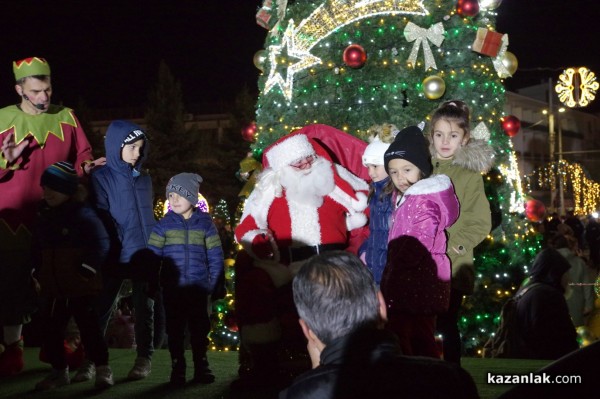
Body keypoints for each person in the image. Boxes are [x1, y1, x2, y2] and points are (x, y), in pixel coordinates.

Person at [233, 127, 369, 390]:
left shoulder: (329, 176)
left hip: (332, 262)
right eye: (300, 162)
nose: (307, 165)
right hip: (285, 264)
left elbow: (359, 199)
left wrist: (329, 175)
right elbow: (249, 222)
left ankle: (340, 364)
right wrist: (258, 242)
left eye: (310, 158)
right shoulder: (269, 188)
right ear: (284, 166)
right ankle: (265, 364)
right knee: (255, 285)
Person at [0, 56, 103, 377]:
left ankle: (65, 344)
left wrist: (87, 168)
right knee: (11, 282)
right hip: (12, 219)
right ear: (20, 89)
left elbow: (82, 156)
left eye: (47, 89)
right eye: (36, 90)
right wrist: (5, 161)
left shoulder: (67, 117)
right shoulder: (1, 119)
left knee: (64, 283)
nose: (44, 97)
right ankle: (13, 349)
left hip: (58, 219)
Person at [280, 251, 479, 399]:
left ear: (307, 331)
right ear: (381, 306)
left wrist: (316, 372)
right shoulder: (450, 381)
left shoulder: (301, 393)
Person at [85, 120, 156, 381]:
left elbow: (146, 215)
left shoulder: (145, 178)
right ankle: (92, 360)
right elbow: (101, 214)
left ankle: (144, 358)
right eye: (131, 147)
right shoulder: (100, 178)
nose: (137, 153)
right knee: (102, 306)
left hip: (143, 252)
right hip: (115, 251)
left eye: (140, 147)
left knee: (144, 307)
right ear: (116, 146)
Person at [31, 162, 113, 390]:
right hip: (54, 286)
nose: (46, 192)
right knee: (51, 329)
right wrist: (36, 270)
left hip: (81, 284)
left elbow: (101, 242)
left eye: (52, 188)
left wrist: (88, 267)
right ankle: (59, 371)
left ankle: (102, 368)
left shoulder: (83, 214)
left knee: (89, 328)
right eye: (44, 187)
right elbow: (37, 247)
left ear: (68, 189)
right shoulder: (44, 215)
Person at [381, 125, 459, 358]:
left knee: (412, 338)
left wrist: (396, 267)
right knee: (414, 337)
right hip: (413, 283)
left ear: (422, 170)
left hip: (415, 282)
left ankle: (424, 381)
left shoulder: (422, 201)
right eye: (393, 172)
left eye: (406, 169)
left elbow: (419, 242)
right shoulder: (408, 198)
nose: (400, 177)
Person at [427, 100, 494, 365]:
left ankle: (453, 377)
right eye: (439, 134)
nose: (445, 141)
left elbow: (480, 221)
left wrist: (455, 245)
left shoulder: (469, 175)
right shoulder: (421, 168)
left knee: (445, 323)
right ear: (431, 135)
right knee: (421, 325)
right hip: (421, 262)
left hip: (451, 265)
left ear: (464, 139)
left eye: (453, 135)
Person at [147, 173, 224, 386]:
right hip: (172, 289)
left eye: (179, 194)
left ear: (192, 197)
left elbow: (215, 255)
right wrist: (151, 281)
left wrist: (217, 281)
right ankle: (177, 366)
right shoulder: (163, 226)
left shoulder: (205, 225)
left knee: (200, 328)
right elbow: (152, 257)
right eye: (170, 195)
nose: (174, 199)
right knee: (175, 330)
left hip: (198, 288)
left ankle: (201, 364)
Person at [513, 248, 579, 360]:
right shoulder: (549, 296)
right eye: (565, 273)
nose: (568, 279)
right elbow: (565, 340)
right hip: (552, 366)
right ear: (555, 273)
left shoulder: (525, 291)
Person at [357, 124, 395, 285]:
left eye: (375, 166)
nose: (370, 172)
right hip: (373, 263)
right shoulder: (376, 191)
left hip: (388, 268)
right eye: (368, 167)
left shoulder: (395, 194)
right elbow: (376, 230)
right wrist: (365, 250)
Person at [547, 233, 595, 328]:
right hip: (577, 303)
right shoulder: (578, 262)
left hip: (557, 306)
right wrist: (589, 304)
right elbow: (587, 285)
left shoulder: (549, 263)